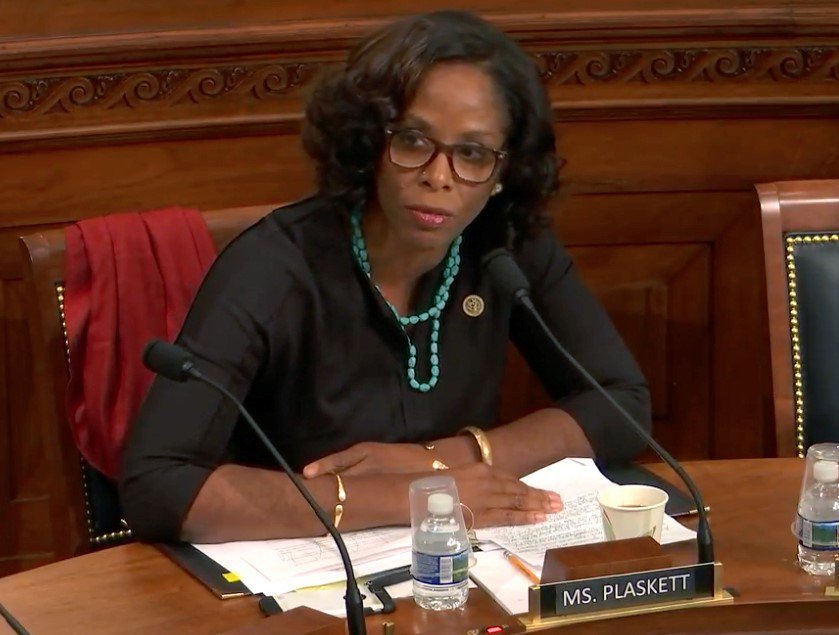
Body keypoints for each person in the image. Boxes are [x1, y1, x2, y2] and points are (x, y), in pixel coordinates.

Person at [120, 10, 651, 544]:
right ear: (370, 143)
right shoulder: (273, 267)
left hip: (459, 559)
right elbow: (157, 485)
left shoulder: (503, 246)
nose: (438, 177)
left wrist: (441, 460)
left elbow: (622, 403)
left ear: (502, 172)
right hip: (301, 566)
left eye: (472, 154)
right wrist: (412, 495)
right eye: (414, 141)